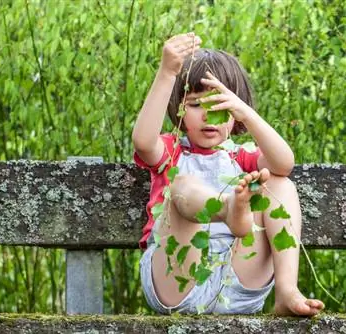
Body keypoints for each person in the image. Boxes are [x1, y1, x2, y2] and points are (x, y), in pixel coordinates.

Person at [132, 32, 324, 316]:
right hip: (178, 280)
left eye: (219, 106)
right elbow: (143, 142)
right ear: (179, 111)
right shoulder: (172, 151)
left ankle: (286, 291)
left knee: (280, 185)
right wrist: (167, 73)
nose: (209, 116)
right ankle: (225, 207)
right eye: (196, 105)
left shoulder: (242, 157)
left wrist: (246, 113)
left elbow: (284, 164)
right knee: (182, 185)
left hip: (237, 283)